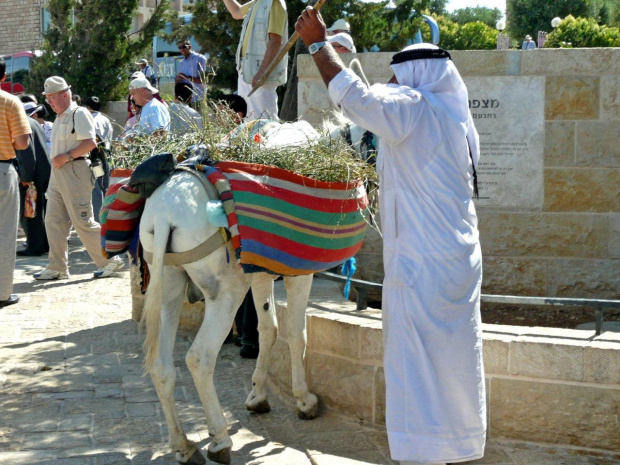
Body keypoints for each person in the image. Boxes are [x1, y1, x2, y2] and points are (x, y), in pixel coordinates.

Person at [296, 9, 485, 465]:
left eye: (401, 76)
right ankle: (457, 444)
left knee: (417, 362)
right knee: (455, 361)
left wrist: (319, 45)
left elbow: (358, 98)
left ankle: (423, 452)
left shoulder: (415, 109)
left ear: (417, 76)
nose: (397, 84)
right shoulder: (455, 118)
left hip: (423, 264)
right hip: (457, 260)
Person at [34, 76, 124, 280]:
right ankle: (57, 266)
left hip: (74, 171)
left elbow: (90, 143)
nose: (49, 101)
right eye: (47, 98)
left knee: (83, 221)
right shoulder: (60, 117)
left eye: (51, 97)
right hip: (59, 173)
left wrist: (65, 157)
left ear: (64, 95)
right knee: (53, 220)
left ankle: (110, 259)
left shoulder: (79, 113)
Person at [222, 0, 288, 120]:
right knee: (249, 120)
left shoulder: (274, 3)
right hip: (248, 71)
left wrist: (262, 73)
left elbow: (276, 41)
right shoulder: (259, 2)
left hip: (260, 74)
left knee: (265, 122)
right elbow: (236, 12)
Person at [0, 56, 31, 308]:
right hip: (2, 170)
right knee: (5, 233)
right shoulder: (10, 102)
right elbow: (21, 143)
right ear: (3, 77)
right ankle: (2, 293)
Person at [15, 107, 51, 256]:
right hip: (43, 171)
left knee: (30, 212)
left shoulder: (21, 123)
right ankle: (44, 244)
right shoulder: (34, 122)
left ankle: (35, 247)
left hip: (32, 174)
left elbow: (26, 153)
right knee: (40, 210)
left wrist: (26, 177)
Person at [84, 96, 112, 222]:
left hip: (96, 159)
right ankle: (108, 218)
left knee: (96, 189)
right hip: (107, 156)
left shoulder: (89, 120)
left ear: (88, 108)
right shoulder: (106, 119)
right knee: (106, 188)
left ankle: (99, 220)